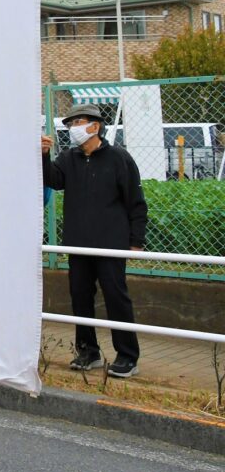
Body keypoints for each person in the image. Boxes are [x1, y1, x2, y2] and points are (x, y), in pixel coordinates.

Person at [42, 103, 147, 379]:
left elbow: (136, 201)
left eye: (78, 123)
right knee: (80, 297)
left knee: (116, 297)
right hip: (78, 243)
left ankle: (127, 356)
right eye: (70, 124)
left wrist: (136, 241)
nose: (73, 128)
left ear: (95, 126)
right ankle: (88, 351)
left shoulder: (119, 158)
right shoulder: (69, 158)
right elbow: (53, 179)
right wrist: (43, 156)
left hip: (111, 243)